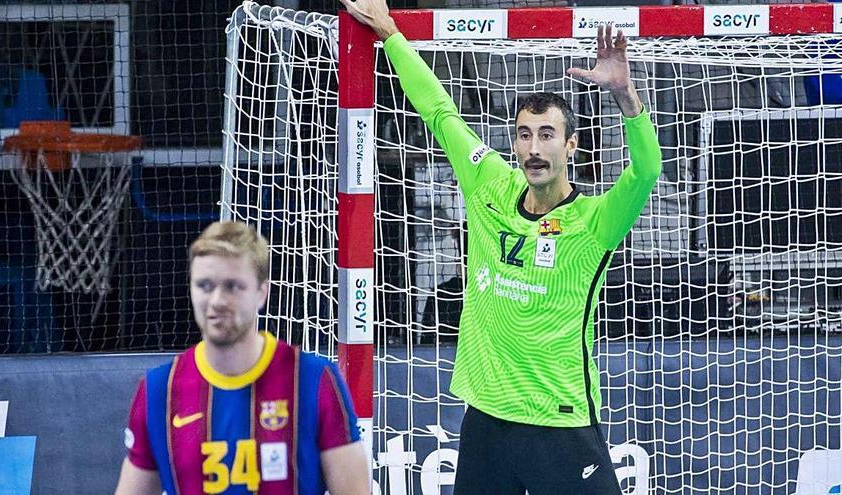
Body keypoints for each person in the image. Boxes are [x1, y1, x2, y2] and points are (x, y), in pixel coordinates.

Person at [338, 1, 661, 493]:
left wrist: (625, 94)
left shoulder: (594, 221)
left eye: (548, 135)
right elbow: (440, 111)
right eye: (524, 135)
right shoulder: (488, 183)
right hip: (487, 418)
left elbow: (646, 171)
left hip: (561, 420)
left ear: (571, 146)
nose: (535, 148)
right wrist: (389, 34)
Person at [114, 221, 370, 495]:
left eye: (233, 287)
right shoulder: (158, 390)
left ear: (262, 292)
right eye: (204, 285)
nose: (217, 301)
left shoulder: (313, 380)